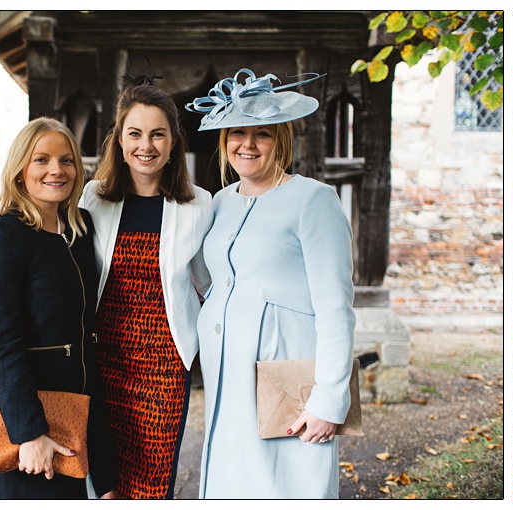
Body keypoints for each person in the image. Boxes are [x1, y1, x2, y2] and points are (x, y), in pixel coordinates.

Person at [187, 69, 356, 498]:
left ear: (281, 140)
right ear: (224, 141)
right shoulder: (220, 203)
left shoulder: (314, 199)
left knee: (286, 486)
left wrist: (328, 399)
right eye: (236, 132)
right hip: (227, 374)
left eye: (261, 133)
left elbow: (336, 307)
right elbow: (210, 280)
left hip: (286, 373)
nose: (248, 144)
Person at [0, 117, 119, 499]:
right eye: (42, 159)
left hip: (73, 424)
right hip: (26, 430)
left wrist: (104, 473)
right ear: (20, 172)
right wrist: (29, 433)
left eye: (67, 160)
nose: (57, 169)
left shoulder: (79, 232)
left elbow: (86, 344)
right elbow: (1, 349)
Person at [78, 79, 213, 499]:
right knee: (105, 484)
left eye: (158, 134)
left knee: (153, 485)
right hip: (104, 360)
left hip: (164, 367)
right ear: (120, 141)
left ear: (174, 143)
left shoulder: (199, 205)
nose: (146, 145)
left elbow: (209, 284)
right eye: (135, 133)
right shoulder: (93, 198)